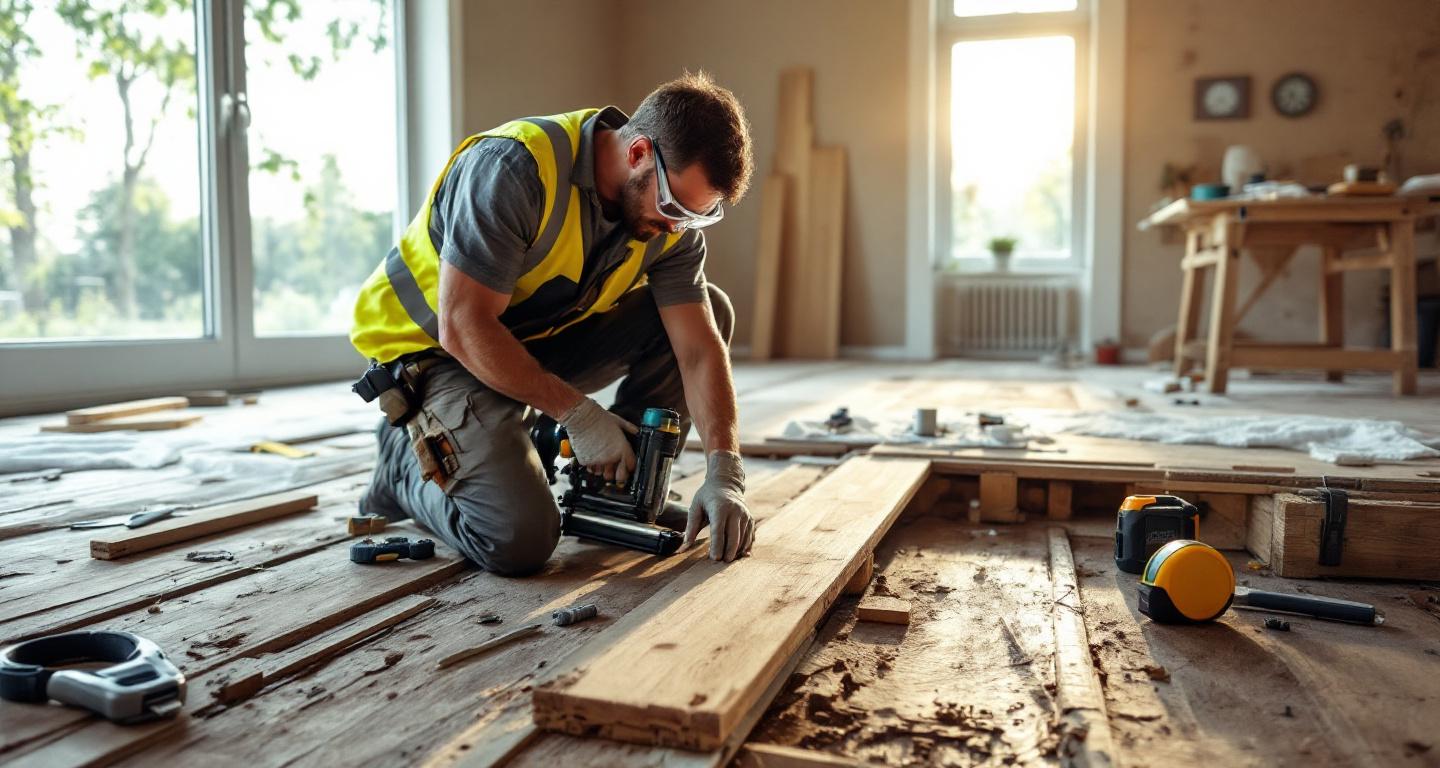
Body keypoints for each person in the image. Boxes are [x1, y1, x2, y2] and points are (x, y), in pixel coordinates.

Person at [348, 72, 755, 576]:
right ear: (638, 154)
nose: (677, 226)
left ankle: (614, 493)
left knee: (709, 308)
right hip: (432, 356)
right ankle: (403, 469)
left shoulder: (672, 226)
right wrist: (579, 415)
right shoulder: (514, 169)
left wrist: (725, 470)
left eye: (698, 216)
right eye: (673, 207)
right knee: (517, 540)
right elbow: (462, 325)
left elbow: (697, 350)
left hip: (527, 345)